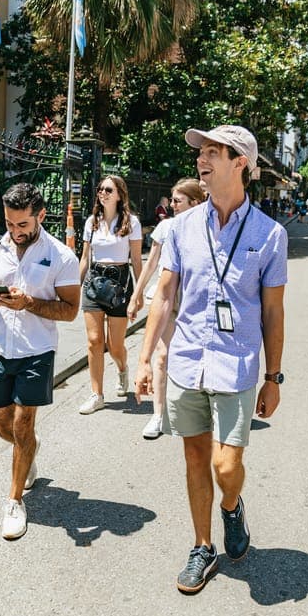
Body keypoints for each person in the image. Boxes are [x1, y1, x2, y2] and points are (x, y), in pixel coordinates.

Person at [134, 125, 288, 594]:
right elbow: (163, 297)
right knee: (195, 456)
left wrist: (273, 377)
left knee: (226, 467)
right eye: (201, 152)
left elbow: (272, 310)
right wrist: (143, 360)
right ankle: (203, 547)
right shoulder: (181, 227)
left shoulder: (270, 233)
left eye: (214, 152)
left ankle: (231, 506)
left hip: (237, 362)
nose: (202, 159)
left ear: (240, 162)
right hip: (185, 360)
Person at [0, 183, 81, 540]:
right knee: (1, 423)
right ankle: (30, 450)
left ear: (40, 216)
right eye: (10, 224)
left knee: (21, 424)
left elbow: (70, 310)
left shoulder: (61, 256)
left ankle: (15, 501)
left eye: (22, 225)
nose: (15, 232)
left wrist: (29, 303)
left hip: (37, 350)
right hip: (0, 348)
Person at [127, 177, 206, 440]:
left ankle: (194, 410)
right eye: (171, 200)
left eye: (177, 200)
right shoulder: (167, 227)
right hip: (165, 299)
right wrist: (136, 295)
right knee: (162, 356)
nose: (171, 205)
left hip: (193, 301)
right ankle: (158, 415)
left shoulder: (208, 227)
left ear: (195, 202)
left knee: (193, 356)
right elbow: (151, 265)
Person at [78, 175, 144, 415]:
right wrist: (74, 287)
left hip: (120, 283)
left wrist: (139, 293)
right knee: (95, 341)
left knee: (114, 345)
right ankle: (97, 395)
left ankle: (122, 368)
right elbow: (85, 258)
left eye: (108, 189)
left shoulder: (131, 223)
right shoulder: (91, 222)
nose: (102, 193)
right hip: (94, 283)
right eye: (100, 189)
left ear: (119, 195)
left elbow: (136, 260)